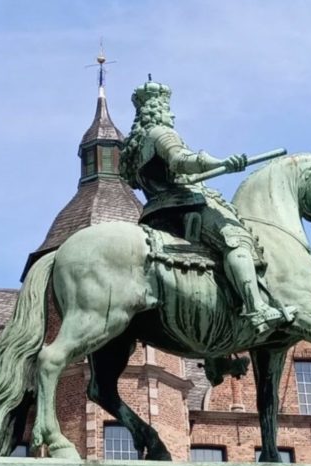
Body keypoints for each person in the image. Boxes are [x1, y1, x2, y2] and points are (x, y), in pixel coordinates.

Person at [120, 80, 290, 334]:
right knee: (236, 240)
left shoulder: (134, 146)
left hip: (154, 213)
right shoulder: (160, 134)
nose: (172, 113)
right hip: (184, 205)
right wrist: (221, 162)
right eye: (167, 108)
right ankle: (256, 308)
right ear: (156, 108)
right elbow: (181, 160)